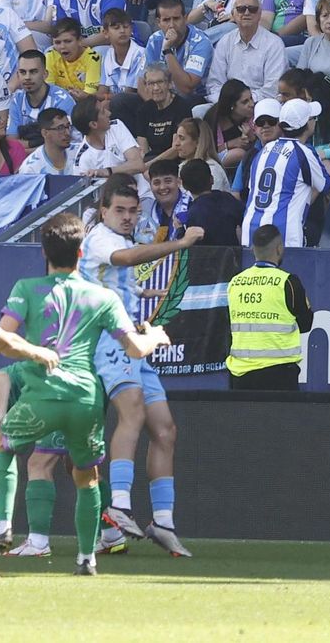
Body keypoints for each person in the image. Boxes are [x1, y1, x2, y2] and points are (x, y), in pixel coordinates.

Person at [0, 219, 170, 577]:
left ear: (43, 253)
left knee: (5, 446)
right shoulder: (104, 297)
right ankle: (87, 558)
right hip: (85, 401)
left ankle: (3, 526)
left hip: (41, 397)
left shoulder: (27, 287)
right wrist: (158, 337)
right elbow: (134, 349)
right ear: (81, 253)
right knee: (87, 477)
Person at [78, 178, 202, 558]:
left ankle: (162, 521)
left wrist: (150, 296)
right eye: (120, 210)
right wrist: (180, 245)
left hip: (132, 339)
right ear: (103, 211)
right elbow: (126, 260)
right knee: (130, 414)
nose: (128, 217)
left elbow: (119, 281)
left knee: (165, 429)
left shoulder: (119, 238)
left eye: (133, 211)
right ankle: (118, 507)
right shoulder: (100, 237)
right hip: (107, 340)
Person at [224, 224, 312, 388]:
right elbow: (306, 324)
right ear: (279, 249)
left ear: (253, 250)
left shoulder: (235, 282)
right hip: (279, 375)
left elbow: (229, 325)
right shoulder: (288, 282)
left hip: (240, 376)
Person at [242, 97, 330, 246]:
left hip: (251, 228)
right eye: (312, 118)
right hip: (285, 232)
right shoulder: (304, 152)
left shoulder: (262, 152)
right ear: (306, 124)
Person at [204, 0, 286, 101]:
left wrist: (244, 102)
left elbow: (272, 89)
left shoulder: (274, 44)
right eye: (241, 9)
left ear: (260, 14)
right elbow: (214, 84)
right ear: (233, 14)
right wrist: (228, 102)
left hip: (260, 105)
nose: (247, 13)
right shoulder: (225, 41)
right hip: (227, 105)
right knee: (198, 111)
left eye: (252, 9)